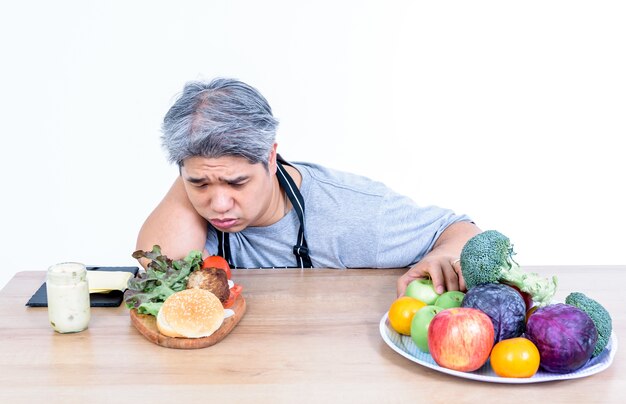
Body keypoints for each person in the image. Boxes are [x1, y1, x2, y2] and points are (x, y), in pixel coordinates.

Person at [136, 78, 481, 296]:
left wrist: (445, 253)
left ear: (271, 159)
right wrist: (197, 162)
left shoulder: (352, 211)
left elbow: (461, 230)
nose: (220, 204)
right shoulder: (193, 205)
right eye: (199, 183)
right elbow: (161, 271)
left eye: (237, 182)